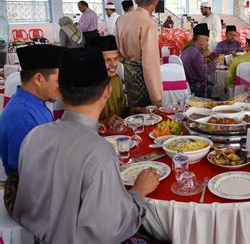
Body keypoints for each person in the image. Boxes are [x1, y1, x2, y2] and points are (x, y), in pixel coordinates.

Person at [13, 48, 160, 243]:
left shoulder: (33, 136)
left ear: (59, 93)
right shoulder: (99, 152)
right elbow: (114, 230)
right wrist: (139, 191)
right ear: (107, 91)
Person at [0, 45, 64, 214]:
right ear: (38, 79)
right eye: (58, 80)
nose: (61, 86)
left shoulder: (34, 103)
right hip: (26, 195)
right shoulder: (24, 117)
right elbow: (37, 175)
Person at [115, 0, 162, 107]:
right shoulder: (148, 24)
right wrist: (156, 97)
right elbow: (149, 64)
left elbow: (119, 54)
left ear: (135, 0)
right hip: (144, 80)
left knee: (134, 115)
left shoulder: (121, 20)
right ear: (156, 1)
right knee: (148, 118)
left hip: (129, 74)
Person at [88, 36, 142, 126]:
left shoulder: (116, 80)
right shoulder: (86, 87)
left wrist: (136, 111)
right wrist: (104, 122)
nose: (113, 64)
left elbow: (121, 110)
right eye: (107, 60)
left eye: (115, 59)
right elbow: (78, 126)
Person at [181, 23, 216, 97]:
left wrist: (205, 61)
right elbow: (203, 73)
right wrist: (213, 64)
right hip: (197, 88)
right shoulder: (197, 54)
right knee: (222, 90)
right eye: (206, 40)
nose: (207, 43)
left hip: (188, 86)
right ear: (199, 39)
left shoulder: (187, 50)